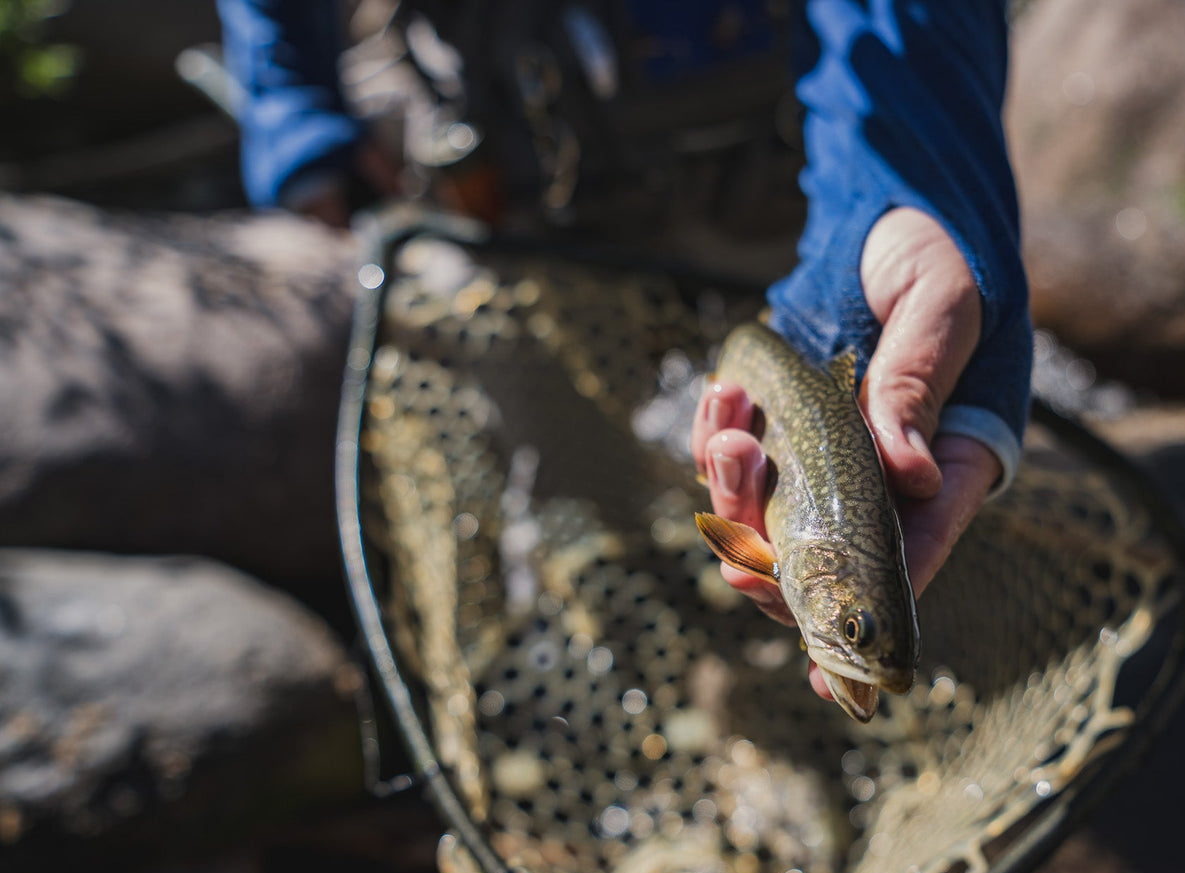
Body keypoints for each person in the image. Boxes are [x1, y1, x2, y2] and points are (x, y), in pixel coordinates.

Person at [217, 0, 1032, 703]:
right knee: (565, 493)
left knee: (875, 499)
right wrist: (293, 108)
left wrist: (910, 184)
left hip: (802, 141)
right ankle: (671, 685)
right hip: (509, 159)